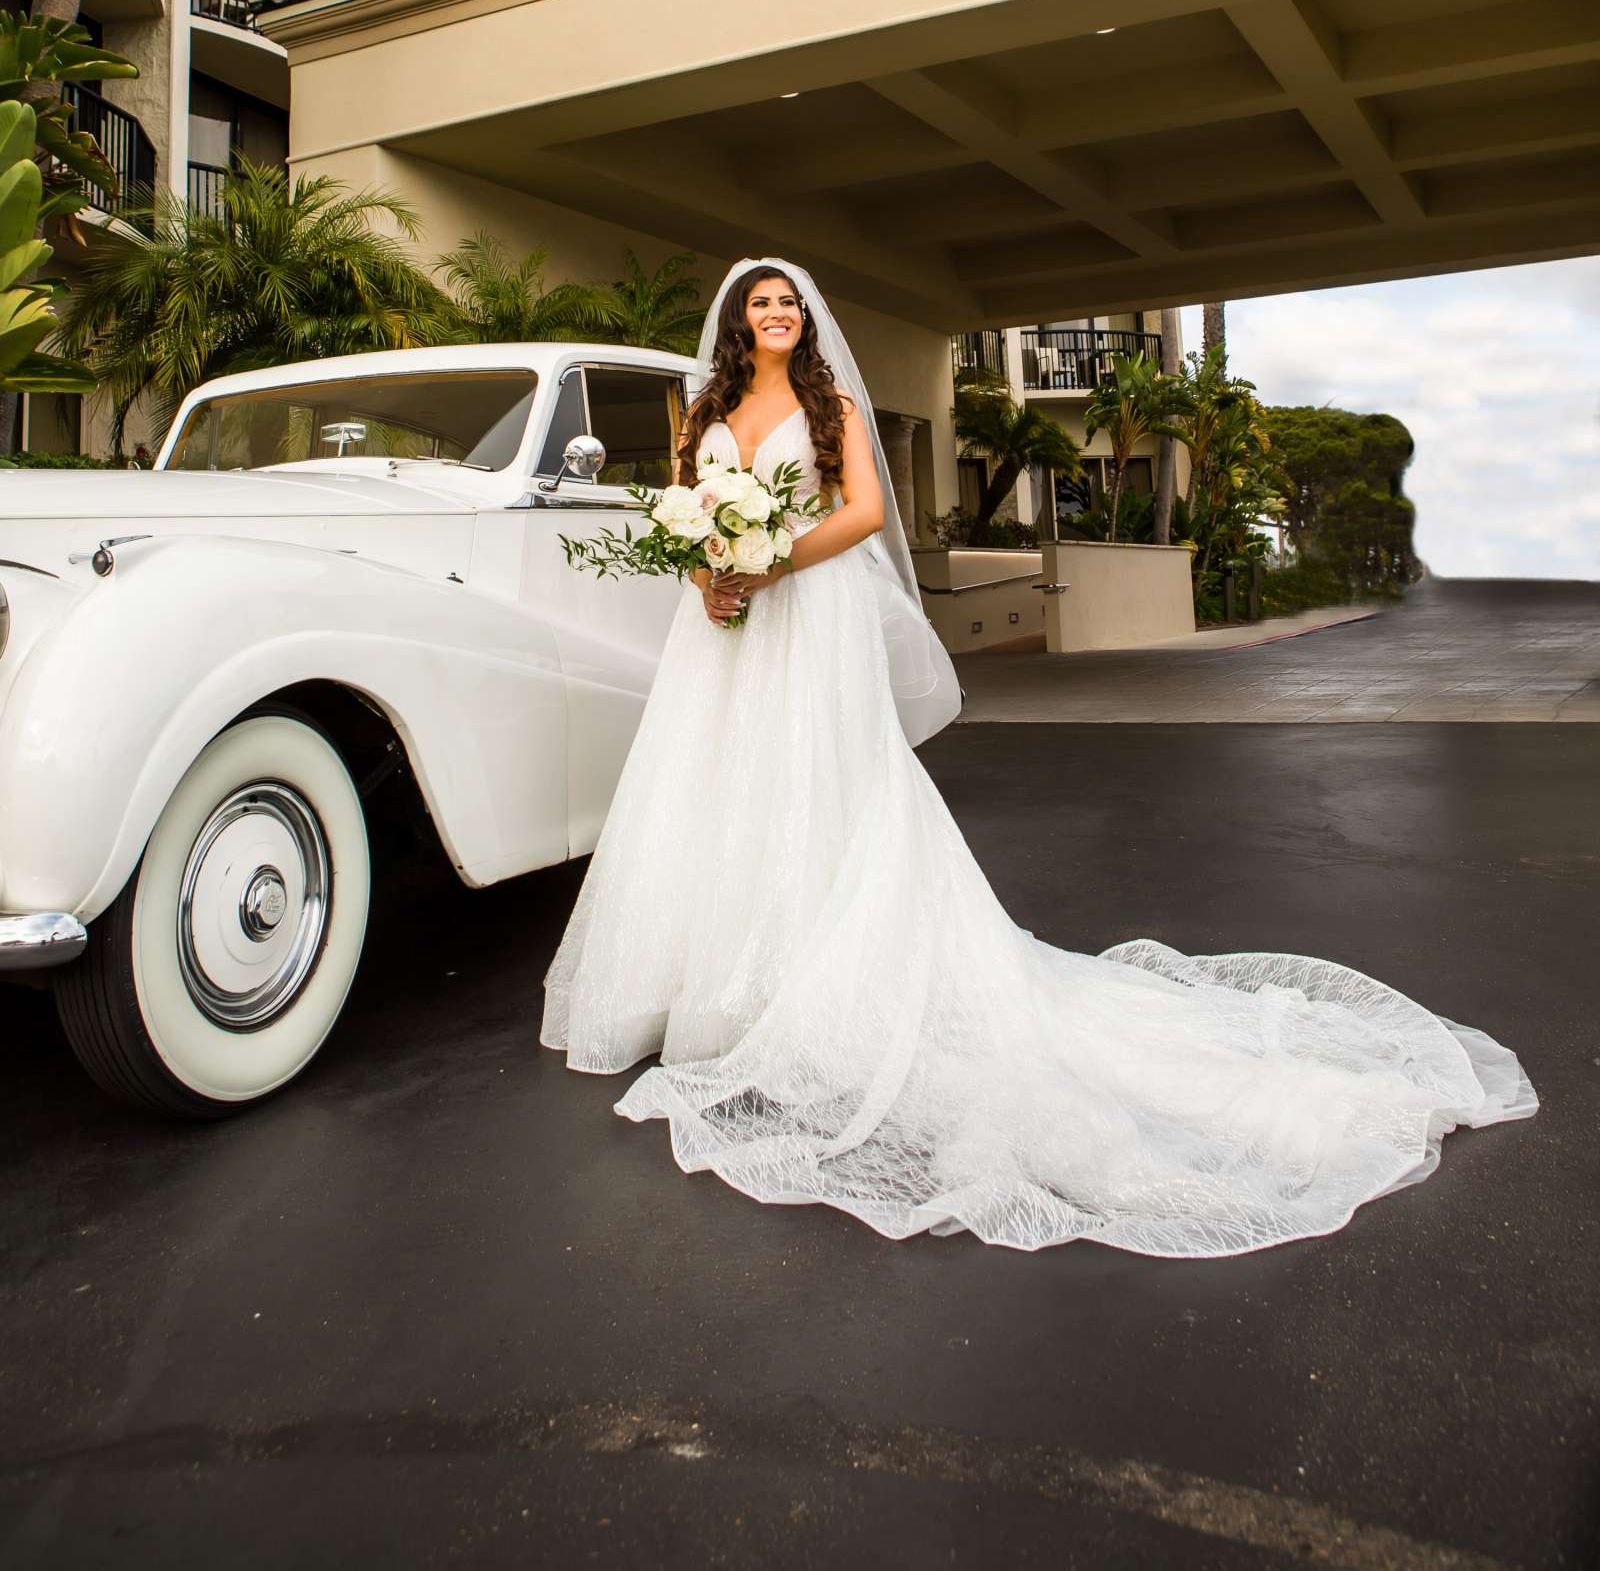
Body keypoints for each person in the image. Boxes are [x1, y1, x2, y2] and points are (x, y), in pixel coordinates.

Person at [541, 257, 1537, 1254]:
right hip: (722, 624)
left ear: (804, 320)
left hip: (803, 614)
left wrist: (769, 560)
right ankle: (700, 986)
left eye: (788, 304)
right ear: (735, 319)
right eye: (760, 304)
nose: (776, 316)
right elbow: (678, 503)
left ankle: (802, 983)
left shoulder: (829, 401)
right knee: (718, 784)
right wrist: (713, 570)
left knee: (814, 782)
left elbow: (864, 514)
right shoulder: (700, 406)